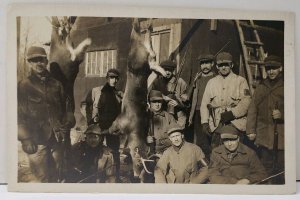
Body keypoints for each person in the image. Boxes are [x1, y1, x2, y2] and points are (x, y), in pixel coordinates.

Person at [18, 46, 75, 182]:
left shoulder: (56, 84)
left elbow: (67, 107)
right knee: (41, 177)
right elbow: (18, 115)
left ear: (46, 61)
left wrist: (69, 119)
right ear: (29, 63)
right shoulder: (24, 86)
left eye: (41, 60)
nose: (39, 63)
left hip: (57, 138)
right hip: (36, 140)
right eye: (34, 60)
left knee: (58, 174)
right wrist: (25, 138)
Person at [200, 52, 251, 149]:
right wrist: (205, 122)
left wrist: (232, 114)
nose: (223, 68)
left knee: (235, 151)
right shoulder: (212, 82)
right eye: (220, 65)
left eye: (226, 65)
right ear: (217, 66)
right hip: (216, 123)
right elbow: (204, 104)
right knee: (217, 151)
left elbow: (246, 102)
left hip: (236, 123)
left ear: (231, 65)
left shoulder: (240, 81)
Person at [246, 55, 284, 183]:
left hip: (282, 137)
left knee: (281, 168)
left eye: (274, 68)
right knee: (265, 167)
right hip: (264, 136)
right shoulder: (261, 87)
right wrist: (251, 130)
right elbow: (252, 109)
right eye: (268, 69)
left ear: (281, 68)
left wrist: (283, 114)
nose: (271, 71)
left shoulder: (288, 85)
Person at [85, 68, 123, 182]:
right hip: (98, 127)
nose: (114, 80)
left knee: (114, 152)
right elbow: (86, 106)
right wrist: (91, 123)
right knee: (94, 151)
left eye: (116, 78)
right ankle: (91, 176)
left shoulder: (119, 94)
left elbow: (122, 112)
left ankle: (113, 177)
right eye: (112, 77)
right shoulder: (96, 91)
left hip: (112, 129)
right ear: (107, 78)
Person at [187, 53, 216, 157]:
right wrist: (191, 116)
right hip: (198, 112)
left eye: (207, 63)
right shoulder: (198, 79)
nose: (205, 66)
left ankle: (210, 160)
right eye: (202, 64)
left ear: (212, 64)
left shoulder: (215, 78)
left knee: (210, 137)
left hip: (211, 112)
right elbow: (194, 98)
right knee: (199, 139)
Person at [149, 59, 187, 127]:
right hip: (161, 115)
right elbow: (151, 96)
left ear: (173, 70)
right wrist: (163, 97)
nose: (167, 72)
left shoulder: (180, 82)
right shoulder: (157, 82)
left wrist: (178, 103)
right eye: (165, 70)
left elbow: (186, 100)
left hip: (177, 115)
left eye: (170, 70)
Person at [147, 90, 178, 154]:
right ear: (149, 103)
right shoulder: (144, 117)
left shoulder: (169, 117)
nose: (157, 104)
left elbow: (177, 136)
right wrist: (145, 139)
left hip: (166, 151)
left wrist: (162, 142)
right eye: (154, 102)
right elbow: (135, 135)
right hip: (148, 151)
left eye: (159, 102)